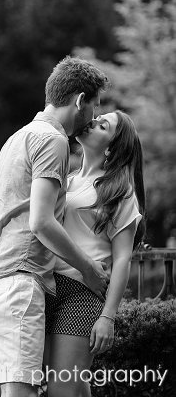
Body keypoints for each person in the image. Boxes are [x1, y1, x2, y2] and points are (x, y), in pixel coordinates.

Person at [0, 56, 110, 397]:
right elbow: (41, 222)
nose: (93, 116)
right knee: (21, 392)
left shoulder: (18, 137)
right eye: (94, 106)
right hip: (18, 280)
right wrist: (89, 268)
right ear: (79, 101)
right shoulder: (53, 139)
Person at [44, 110, 144, 397]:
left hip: (82, 294)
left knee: (61, 389)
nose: (92, 121)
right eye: (98, 117)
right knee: (72, 386)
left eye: (103, 126)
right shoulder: (67, 179)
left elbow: (123, 258)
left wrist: (108, 317)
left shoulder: (119, 190)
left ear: (112, 146)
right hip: (46, 287)